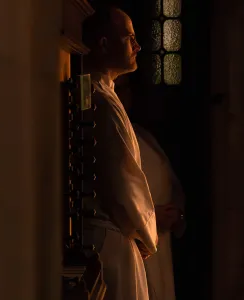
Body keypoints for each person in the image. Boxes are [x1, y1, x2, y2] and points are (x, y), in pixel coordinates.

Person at [81, 6, 158, 300]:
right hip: (109, 241)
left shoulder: (104, 95)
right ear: (103, 43)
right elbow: (123, 181)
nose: (138, 46)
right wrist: (146, 235)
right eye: (129, 38)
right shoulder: (100, 101)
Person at [115, 76, 186, 300]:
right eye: (120, 88)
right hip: (137, 245)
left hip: (160, 246)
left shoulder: (142, 135)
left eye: (127, 88)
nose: (125, 95)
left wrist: (177, 214)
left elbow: (172, 183)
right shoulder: (114, 135)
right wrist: (151, 219)